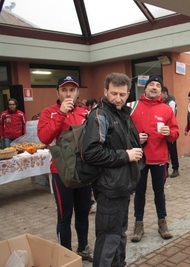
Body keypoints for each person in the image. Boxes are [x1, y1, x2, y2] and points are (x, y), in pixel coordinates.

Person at [81, 73, 143, 266]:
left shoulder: (122, 113)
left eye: (122, 94)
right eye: (114, 93)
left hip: (122, 185)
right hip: (109, 188)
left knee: (118, 233)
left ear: (128, 94)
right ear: (105, 91)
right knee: (109, 236)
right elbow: (90, 152)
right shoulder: (99, 115)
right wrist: (126, 155)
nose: (118, 98)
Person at [37, 75, 93, 261]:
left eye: (72, 90)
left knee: (83, 211)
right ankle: (66, 254)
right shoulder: (48, 112)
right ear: (58, 93)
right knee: (65, 214)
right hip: (61, 172)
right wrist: (61, 114)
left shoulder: (85, 111)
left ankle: (83, 248)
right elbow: (44, 138)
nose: (68, 94)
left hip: (83, 170)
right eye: (64, 90)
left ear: (78, 92)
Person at [128, 76, 179, 242]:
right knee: (139, 193)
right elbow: (124, 132)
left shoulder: (166, 109)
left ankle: (162, 223)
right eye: (152, 84)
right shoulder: (132, 107)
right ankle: (138, 224)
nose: (155, 87)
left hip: (159, 158)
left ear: (161, 90)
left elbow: (175, 133)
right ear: (145, 88)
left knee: (159, 192)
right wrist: (136, 138)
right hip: (139, 157)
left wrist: (169, 133)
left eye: (158, 85)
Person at [161, 86, 180, 178]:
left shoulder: (171, 102)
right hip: (162, 130)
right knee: (165, 151)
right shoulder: (161, 103)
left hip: (170, 130)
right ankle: (165, 170)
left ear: (165, 93)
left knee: (172, 151)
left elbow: (170, 115)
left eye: (161, 93)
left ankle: (175, 169)